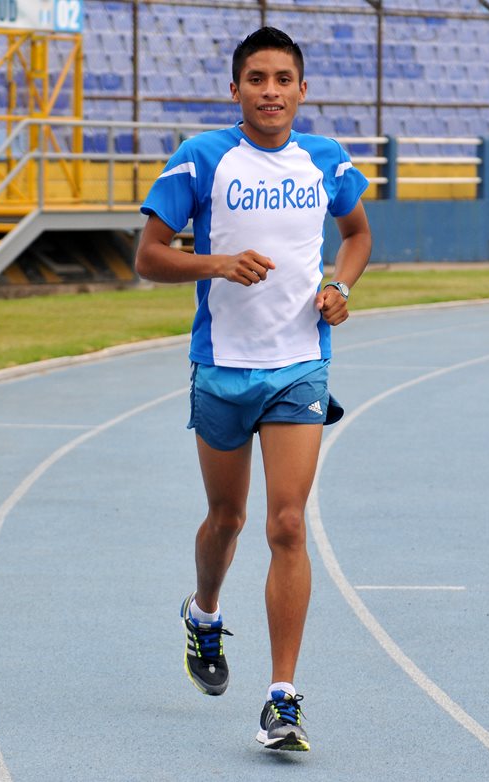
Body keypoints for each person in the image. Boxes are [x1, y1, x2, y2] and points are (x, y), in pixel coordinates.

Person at [134, 26, 372, 752]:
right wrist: (216, 264)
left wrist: (339, 285)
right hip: (222, 367)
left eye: (283, 79)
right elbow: (146, 256)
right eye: (257, 78)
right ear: (234, 88)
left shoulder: (327, 161)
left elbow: (358, 237)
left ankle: (283, 697)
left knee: (288, 524)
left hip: (300, 365)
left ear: (304, 90)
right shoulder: (201, 158)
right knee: (227, 519)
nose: (270, 90)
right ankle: (204, 612)